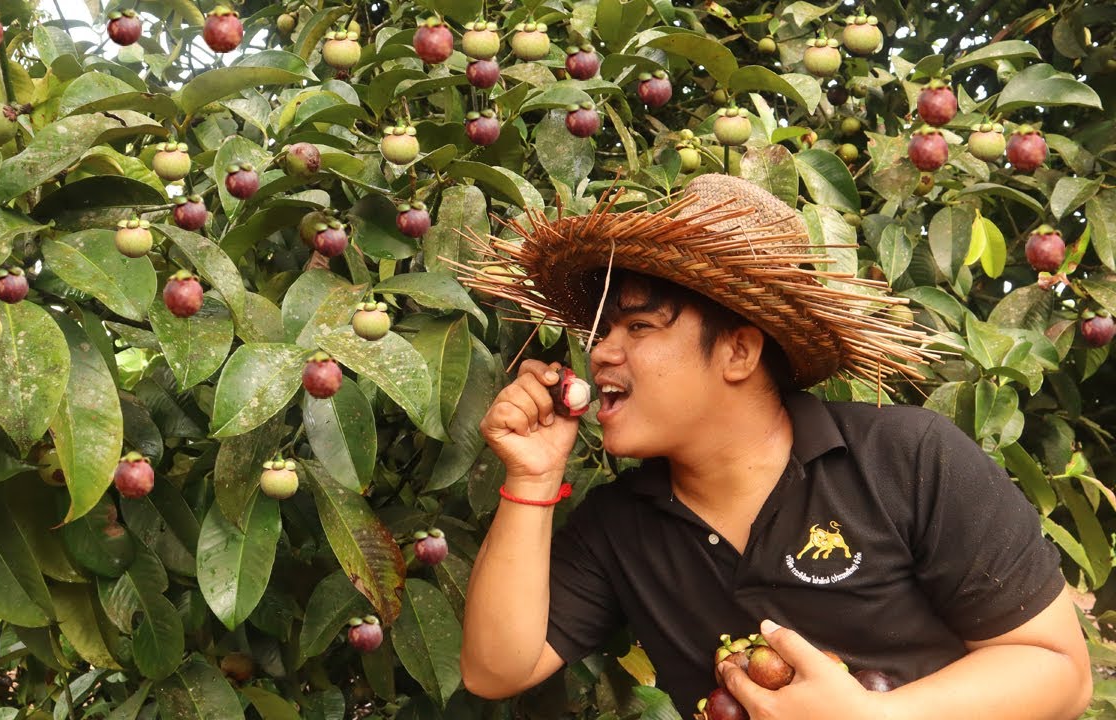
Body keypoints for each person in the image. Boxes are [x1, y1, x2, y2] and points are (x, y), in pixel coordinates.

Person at [456, 175, 1092, 719]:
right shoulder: (617, 526)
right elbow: (495, 671)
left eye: (640, 326)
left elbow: (1058, 670)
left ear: (738, 350)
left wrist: (876, 716)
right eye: (604, 329)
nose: (600, 353)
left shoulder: (906, 458)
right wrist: (533, 481)